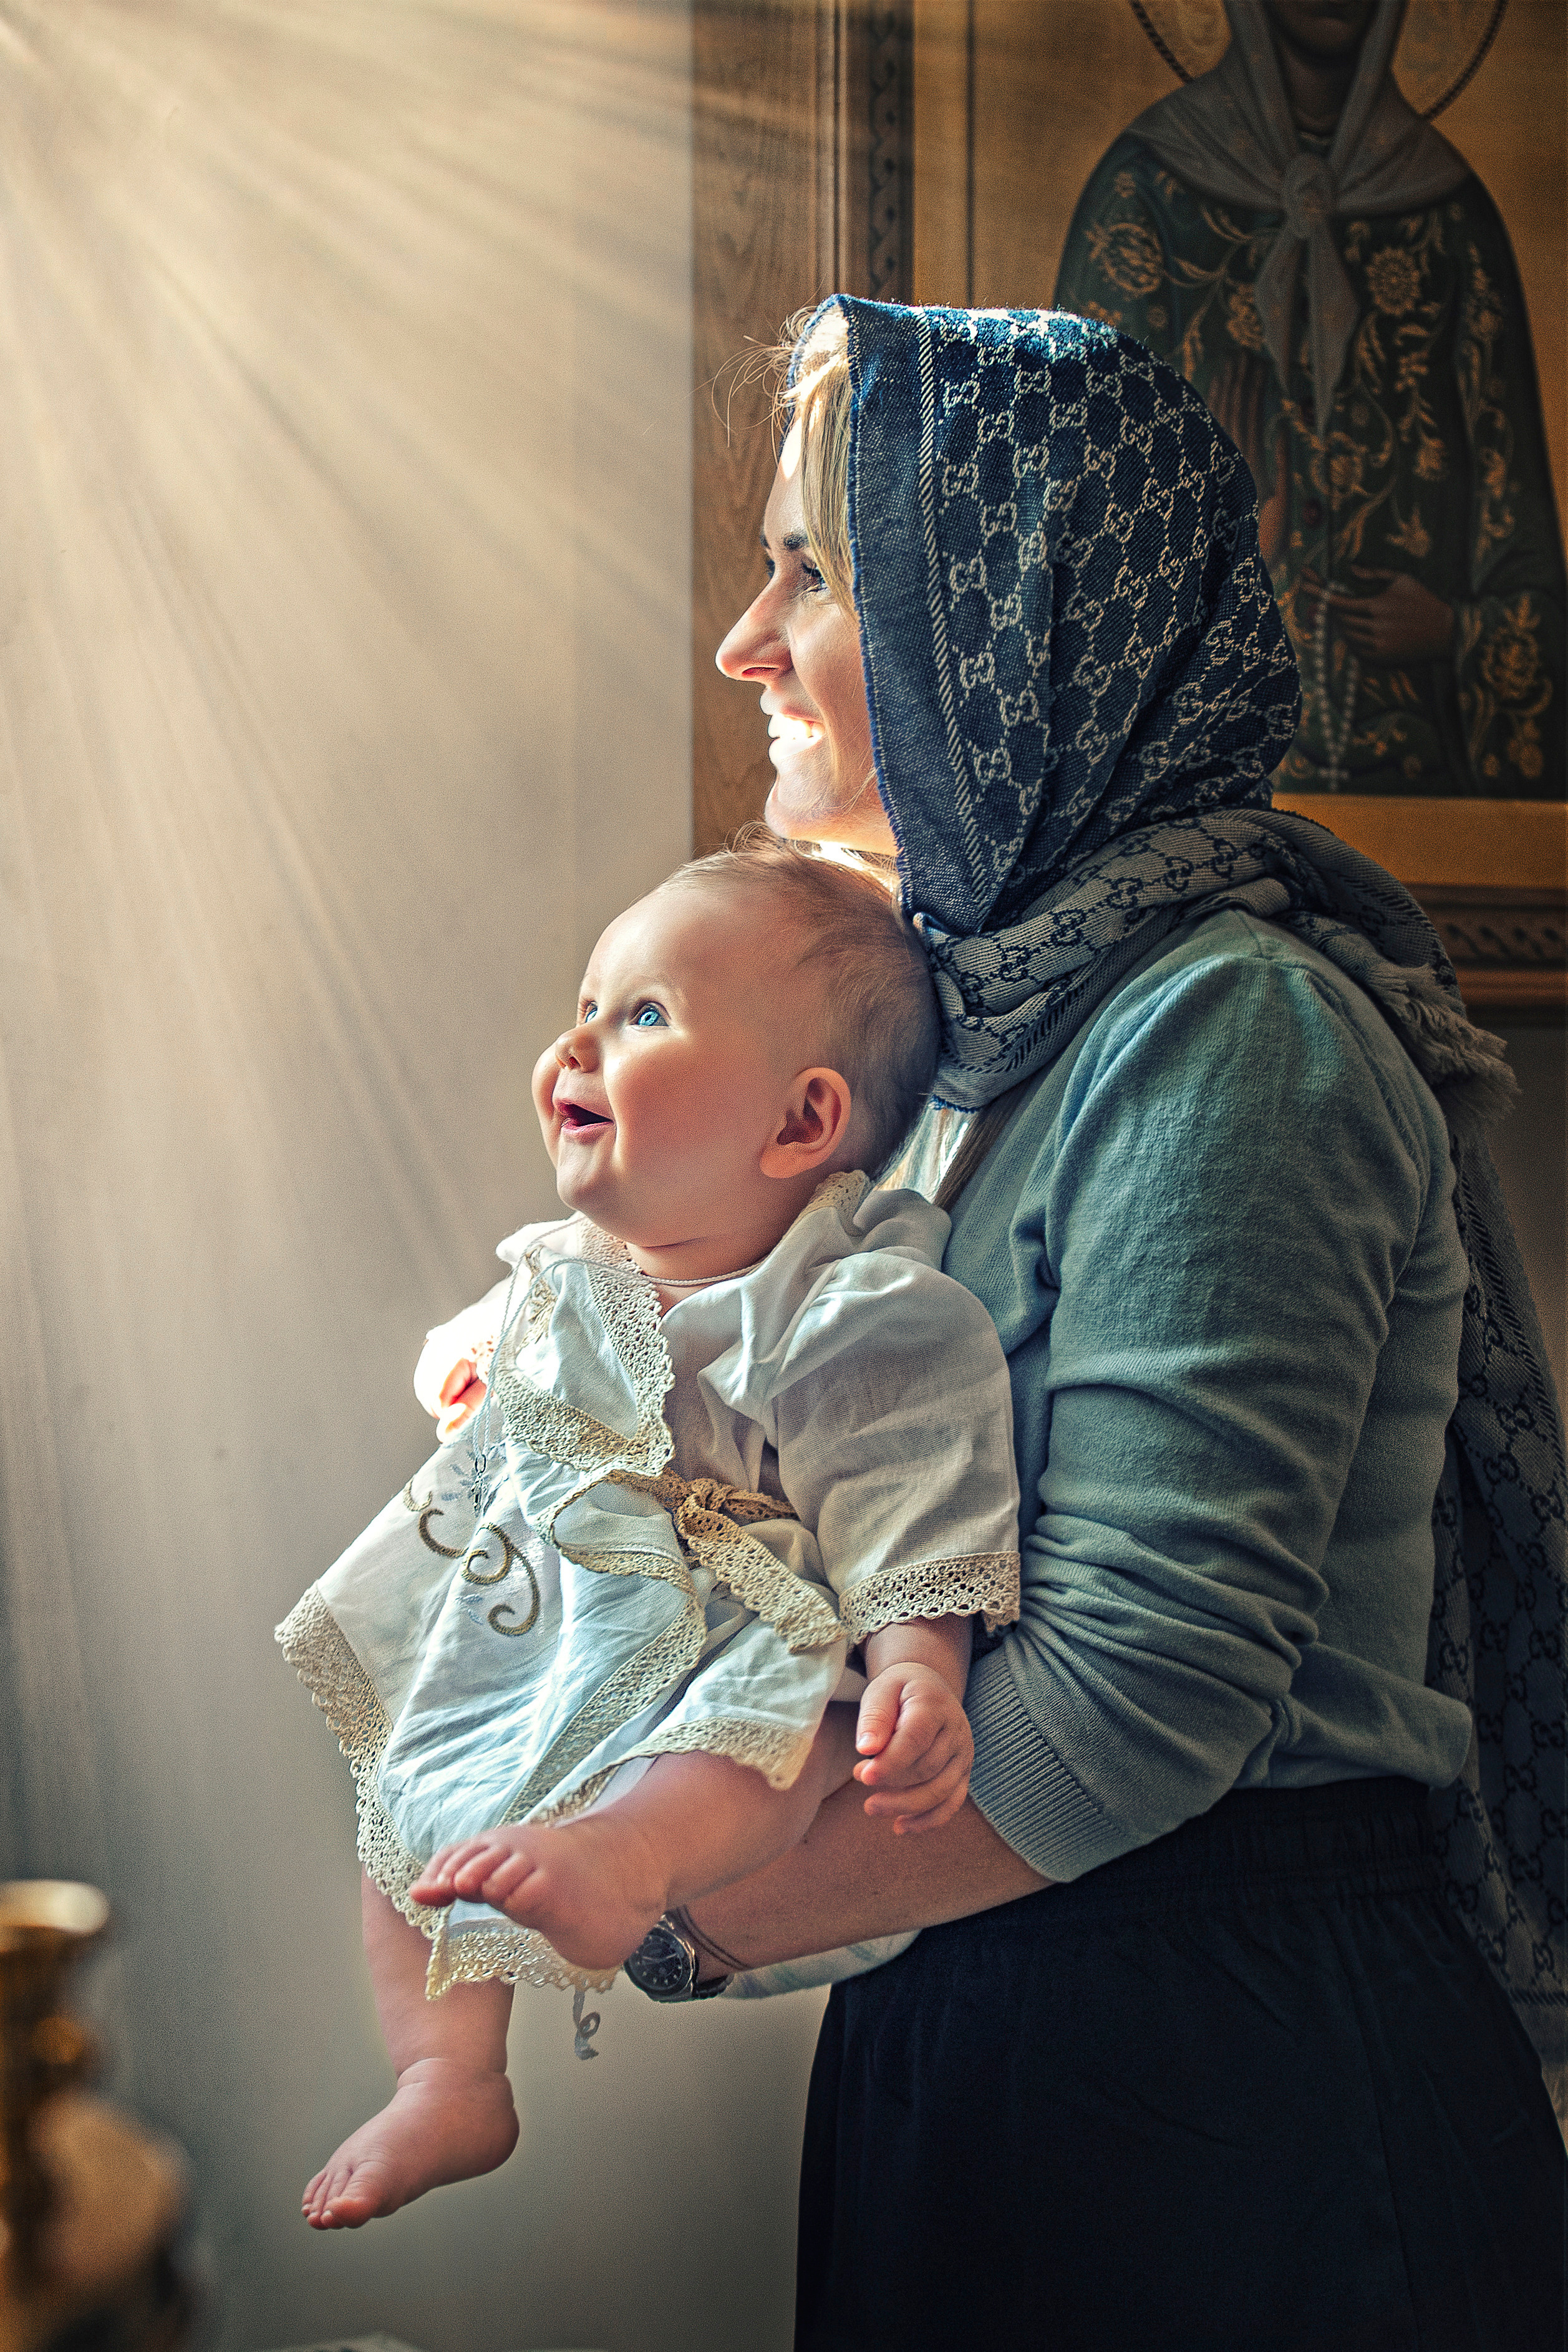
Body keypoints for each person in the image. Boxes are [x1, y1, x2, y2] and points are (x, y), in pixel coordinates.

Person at [680, 299, 1567, 2349]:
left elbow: (1139, 1690)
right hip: (1002, 2023)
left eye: (807, 567)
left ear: (1001, 608)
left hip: (1222, 2083)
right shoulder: (964, 1045)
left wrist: (671, 1904)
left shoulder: (1223, 1024)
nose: (747, 639)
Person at [277, 838, 1021, 2230]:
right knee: (409, 1805)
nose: (576, 1041)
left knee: (761, 1738)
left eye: (644, 1014)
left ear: (800, 1125)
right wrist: (468, 1376)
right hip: (544, 1625)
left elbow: (917, 1488)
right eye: (586, 1002)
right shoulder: (571, 1267)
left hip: (730, 1631)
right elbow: (490, 1339)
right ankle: (450, 2072)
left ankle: (630, 1856)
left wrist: (922, 1661)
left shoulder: (851, 1308)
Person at [1053, 0, 1566, 795]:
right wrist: (1235, 535)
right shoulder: (1147, 194)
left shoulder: (1453, 219)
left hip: (1426, 776)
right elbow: (1080, 568)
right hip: (1203, 800)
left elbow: (1519, 537)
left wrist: (1457, 631)